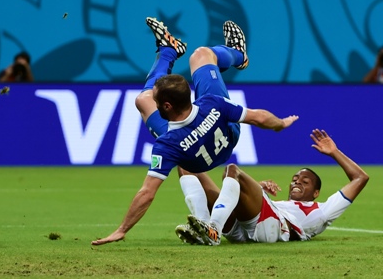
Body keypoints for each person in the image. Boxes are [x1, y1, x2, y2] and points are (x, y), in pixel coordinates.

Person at [91, 17, 298, 246]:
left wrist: (121, 230)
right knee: (202, 54)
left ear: (166, 106)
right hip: (228, 138)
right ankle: (237, 54)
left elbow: (147, 193)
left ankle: (168, 51)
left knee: (142, 99)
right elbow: (258, 117)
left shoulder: (168, 144)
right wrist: (280, 124)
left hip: (194, 159)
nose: (155, 99)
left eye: (158, 99)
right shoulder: (212, 103)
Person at [175, 129, 369, 245]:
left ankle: (212, 229)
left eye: (305, 181)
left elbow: (360, 178)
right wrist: (256, 189)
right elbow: (238, 201)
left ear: (316, 193)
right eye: (295, 179)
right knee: (187, 164)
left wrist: (334, 153)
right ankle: (203, 229)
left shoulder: (323, 210)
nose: (297, 182)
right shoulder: (281, 203)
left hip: (275, 227)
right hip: (243, 226)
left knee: (232, 170)